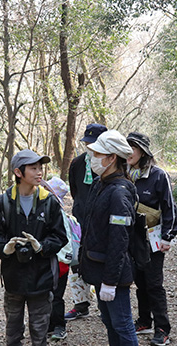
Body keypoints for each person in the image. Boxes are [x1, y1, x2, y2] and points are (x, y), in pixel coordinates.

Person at [0, 150, 68, 346]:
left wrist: (42, 246)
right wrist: (6, 249)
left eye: (41, 167)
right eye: (33, 168)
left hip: (42, 275)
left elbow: (60, 236)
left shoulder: (49, 201)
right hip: (13, 276)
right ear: (18, 172)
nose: (39, 172)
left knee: (40, 324)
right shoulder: (4, 202)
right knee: (13, 323)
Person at [79, 130, 140, 346]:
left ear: (112, 158)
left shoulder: (119, 192)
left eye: (97, 154)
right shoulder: (101, 184)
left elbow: (119, 240)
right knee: (110, 322)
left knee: (123, 324)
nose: (92, 158)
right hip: (99, 270)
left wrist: (111, 281)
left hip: (113, 273)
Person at [126, 132, 177, 346]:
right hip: (131, 238)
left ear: (143, 152)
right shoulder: (124, 174)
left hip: (153, 238)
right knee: (139, 281)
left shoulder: (158, 176)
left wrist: (168, 236)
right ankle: (144, 321)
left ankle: (162, 328)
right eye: (126, 148)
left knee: (154, 283)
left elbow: (170, 208)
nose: (129, 153)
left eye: (133, 148)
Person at [65, 123, 107, 321]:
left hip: (102, 221)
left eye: (95, 144)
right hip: (80, 219)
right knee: (76, 260)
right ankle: (80, 304)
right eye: (87, 143)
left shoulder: (111, 163)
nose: (90, 148)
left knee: (99, 259)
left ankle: (105, 305)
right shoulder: (77, 163)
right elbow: (75, 191)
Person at [42, 176, 74, 341]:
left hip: (60, 261)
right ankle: (48, 325)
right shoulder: (43, 209)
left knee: (57, 295)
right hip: (48, 260)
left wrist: (63, 259)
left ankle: (59, 326)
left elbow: (65, 239)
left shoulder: (59, 213)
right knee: (46, 294)